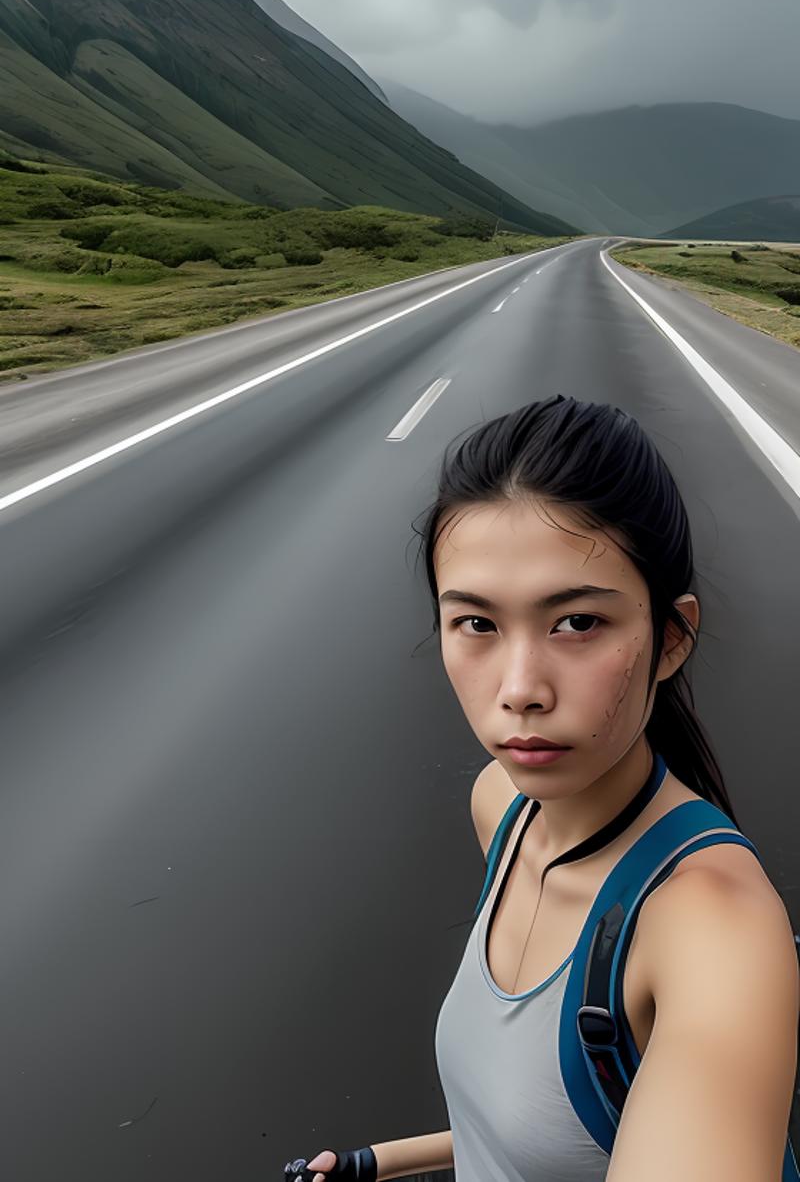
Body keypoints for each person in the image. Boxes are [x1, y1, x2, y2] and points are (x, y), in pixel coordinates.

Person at [287, 395, 799, 1181]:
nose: (520, 688)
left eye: (577, 623)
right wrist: (373, 1162)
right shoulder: (505, 808)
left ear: (671, 638)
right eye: (478, 624)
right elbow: (553, 1135)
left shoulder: (716, 933)